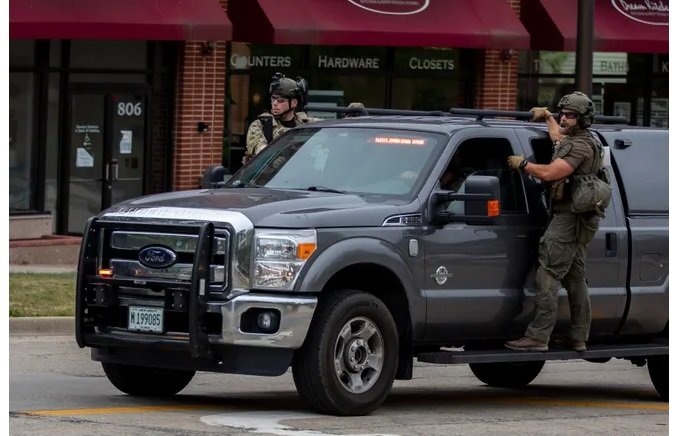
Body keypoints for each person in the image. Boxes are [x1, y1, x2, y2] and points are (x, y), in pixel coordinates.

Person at [504, 91, 604, 352]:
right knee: (575, 276)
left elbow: (550, 173)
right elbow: (558, 137)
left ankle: (538, 336)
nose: (564, 118)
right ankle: (578, 336)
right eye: (562, 113)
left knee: (547, 272)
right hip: (578, 219)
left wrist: (524, 164)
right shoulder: (580, 139)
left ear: (582, 119)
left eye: (569, 115)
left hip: (569, 219)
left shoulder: (581, 145)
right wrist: (548, 116)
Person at [243, 73, 316, 165]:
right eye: (273, 99)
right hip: (268, 178)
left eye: (281, 101)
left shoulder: (307, 124)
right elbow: (261, 151)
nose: (275, 103)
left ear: (293, 103)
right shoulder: (261, 125)